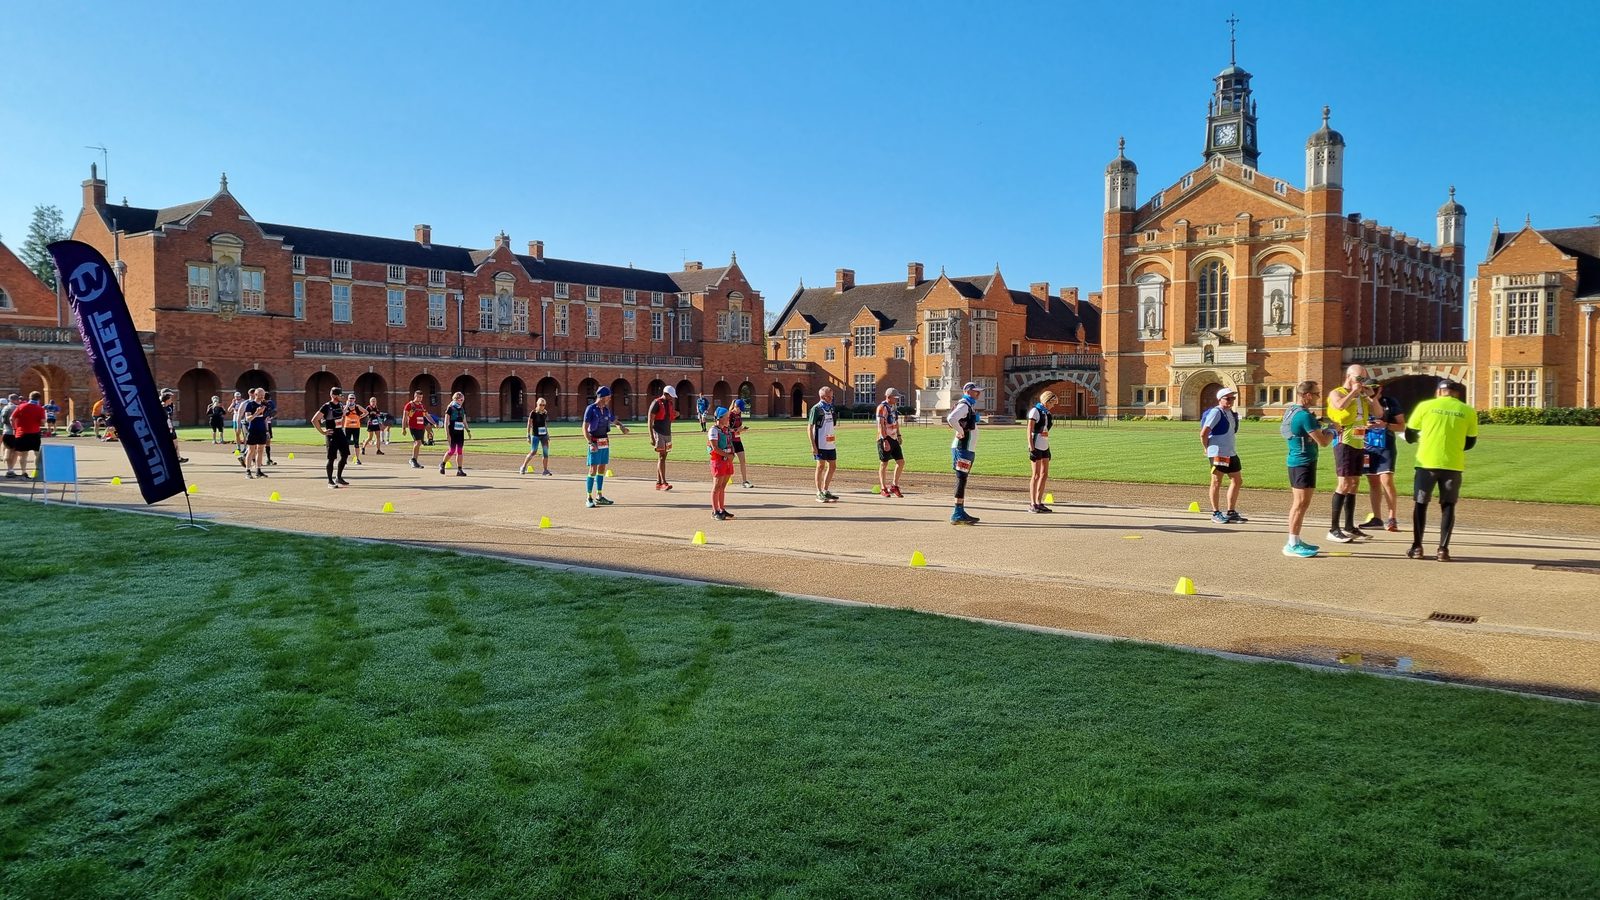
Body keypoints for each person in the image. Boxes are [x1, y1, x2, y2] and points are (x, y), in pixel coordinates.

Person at [1404, 379, 1479, 562]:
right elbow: (1470, 442)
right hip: (1452, 464)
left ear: (1439, 392)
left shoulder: (1426, 406)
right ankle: (1443, 549)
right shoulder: (1468, 410)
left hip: (1427, 462)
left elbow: (1409, 434)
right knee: (1448, 506)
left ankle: (1417, 547)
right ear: (1457, 394)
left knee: (1421, 504)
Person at [1281, 380, 1336, 557]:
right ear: (1307, 395)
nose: (1318, 397)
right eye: (1316, 393)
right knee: (1300, 504)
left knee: (1302, 503)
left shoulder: (1292, 411)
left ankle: (1295, 540)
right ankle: (1292, 544)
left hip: (1300, 460)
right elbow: (1324, 442)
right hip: (1302, 462)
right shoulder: (1304, 416)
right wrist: (1333, 430)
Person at [1324, 364, 1375, 543]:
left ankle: (1349, 526)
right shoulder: (1336, 392)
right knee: (1344, 483)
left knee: (1354, 483)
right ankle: (1333, 528)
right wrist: (1353, 393)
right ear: (1349, 376)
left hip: (1359, 441)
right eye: (1359, 378)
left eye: (1364, 379)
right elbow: (1338, 406)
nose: (1361, 382)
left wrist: (1371, 397)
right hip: (1343, 441)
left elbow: (1378, 412)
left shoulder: (1362, 395)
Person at [1357, 378, 1405, 533]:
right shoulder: (1360, 402)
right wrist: (1364, 426)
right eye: (1367, 388)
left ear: (1380, 388)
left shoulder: (1389, 402)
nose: (1371, 391)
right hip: (1368, 447)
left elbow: (1401, 426)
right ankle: (1377, 518)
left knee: (1386, 480)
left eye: (1374, 388)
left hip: (1386, 446)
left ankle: (1392, 518)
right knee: (1373, 482)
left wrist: (1385, 425)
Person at [1199, 387, 1245, 524]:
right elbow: (1204, 433)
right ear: (1220, 399)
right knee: (1216, 481)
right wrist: (1206, 448)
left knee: (1237, 480)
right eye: (1228, 398)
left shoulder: (1230, 413)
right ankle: (1216, 512)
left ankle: (1231, 512)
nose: (1231, 401)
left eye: (1233, 398)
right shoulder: (1216, 412)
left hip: (1230, 452)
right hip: (1218, 453)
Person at [582, 386, 628, 507]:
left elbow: (614, 420)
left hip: (604, 441)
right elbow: (584, 428)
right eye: (608, 396)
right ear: (603, 396)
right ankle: (589, 497)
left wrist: (621, 427)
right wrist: (590, 443)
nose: (609, 398)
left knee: (602, 468)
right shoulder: (591, 409)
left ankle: (599, 495)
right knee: (593, 469)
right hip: (595, 441)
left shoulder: (606, 410)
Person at [946, 382, 983, 525]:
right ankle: (957, 512)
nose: (978, 394)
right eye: (975, 391)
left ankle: (960, 510)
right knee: (961, 478)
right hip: (962, 448)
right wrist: (960, 432)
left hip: (966, 449)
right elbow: (951, 418)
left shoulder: (968, 406)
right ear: (967, 391)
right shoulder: (964, 405)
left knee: (963, 479)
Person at [310, 386, 353, 488]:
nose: (341, 396)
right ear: (333, 395)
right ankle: (330, 481)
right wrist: (323, 432)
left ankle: (338, 477)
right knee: (332, 458)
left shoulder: (340, 405)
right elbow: (314, 419)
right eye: (339, 395)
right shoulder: (326, 406)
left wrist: (344, 413)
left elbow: (342, 417)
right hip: (331, 434)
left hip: (340, 432)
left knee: (345, 454)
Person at [808, 386, 839, 503]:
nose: (831, 398)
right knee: (820, 466)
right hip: (820, 442)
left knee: (832, 465)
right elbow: (809, 427)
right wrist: (813, 445)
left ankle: (826, 490)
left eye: (832, 396)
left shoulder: (831, 408)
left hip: (830, 442)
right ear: (822, 397)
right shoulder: (816, 409)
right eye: (829, 396)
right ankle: (819, 492)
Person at [1027, 390, 1056, 513]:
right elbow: (1029, 430)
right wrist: (1031, 446)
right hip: (1036, 444)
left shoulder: (1047, 412)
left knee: (1044, 474)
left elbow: (1046, 429)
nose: (1054, 405)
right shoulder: (1035, 411)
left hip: (1044, 444)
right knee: (1036, 475)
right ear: (1047, 401)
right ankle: (1033, 503)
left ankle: (1039, 502)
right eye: (1053, 402)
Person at [5, 392, 45, 478]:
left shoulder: (21, 406)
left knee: (23, 454)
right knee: (36, 453)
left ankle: (23, 472)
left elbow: (11, 418)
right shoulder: (40, 408)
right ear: (38, 399)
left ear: (30, 397)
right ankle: (36, 471)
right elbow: (42, 422)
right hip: (34, 433)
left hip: (21, 433)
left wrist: (14, 428)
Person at [876, 387, 905, 498]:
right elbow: (880, 424)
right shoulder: (882, 407)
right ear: (888, 397)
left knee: (901, 462)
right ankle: (883, 488)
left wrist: (898, 435)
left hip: (893, 438)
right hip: (885, 438)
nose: (897, 399)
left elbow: (896, 422)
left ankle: (894, 485)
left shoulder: (893, 407)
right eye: (895, 397)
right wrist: (884, 440)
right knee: (884, 463)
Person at [646, 385, 677, 489]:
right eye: (670, 396)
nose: (671, 398)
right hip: (659, 432)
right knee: (662, 457)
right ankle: (663, 482)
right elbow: (650, 421)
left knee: (663, 457)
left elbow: (670, 416)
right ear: (665, 394)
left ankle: (659, 483)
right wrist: (652, 437)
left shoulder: (670, 403)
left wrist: (676, 414)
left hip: (667, 433)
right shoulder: (656, 403)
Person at [708, 405, 736, 519]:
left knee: (722, 486)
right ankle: (715, 511)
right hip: (718, 461)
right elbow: (715, 448)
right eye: (726, 417)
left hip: (727, 460)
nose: (728, 419)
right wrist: (728, 455)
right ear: (720, 418)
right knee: (717, 486)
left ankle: (721, 509)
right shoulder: (713, 430)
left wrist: (731, 454)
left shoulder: (726, 429)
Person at [440, 392, 471, 476]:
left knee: (460, 451)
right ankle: (442, 464)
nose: (462, 401)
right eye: (461, 400)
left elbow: (464, 421)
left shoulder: (461, 409)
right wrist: (447, 434)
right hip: (452, 431)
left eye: (463, 400)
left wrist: (468, 430)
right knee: (452, 450)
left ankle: (459, 469)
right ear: (456, 399)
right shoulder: (450, 408)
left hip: (460, 432)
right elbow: (446, 422)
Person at [241, 388, 270, 478]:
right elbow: (248, 419)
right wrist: (257, 413)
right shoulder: (250, 404)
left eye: (263, 395)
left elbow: (265, 419)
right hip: (253, 429)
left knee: (260, 450)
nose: (262, 397)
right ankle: (248, 471)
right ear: (256, 394)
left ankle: (258, 470)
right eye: (260, 395)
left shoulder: (265, 404)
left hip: (261, 430)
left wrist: (267, 430)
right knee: (251, 450)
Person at [521, 397, 553, 476]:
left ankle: (545, 470)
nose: (542, 406)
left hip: (544, 435)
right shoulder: (533, 413)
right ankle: (523, 466)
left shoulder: (545, 413)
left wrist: (547, 434)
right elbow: (529, 424)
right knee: (533, 451)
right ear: (537, 404)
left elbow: (544, 424)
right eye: (540, 404)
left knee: (545, 452)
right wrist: (528, 435)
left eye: (543, 405)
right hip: (535, 435)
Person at [402, 390, 432, 469]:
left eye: (421, 397)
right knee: (418, 442)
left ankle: (415, 460)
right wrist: (403, 428)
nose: (420, 399)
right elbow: (405, 417)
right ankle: (413, 460)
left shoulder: (422, 406)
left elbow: (426, 415)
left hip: (421, 427)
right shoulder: (410, 405)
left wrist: (434, 423)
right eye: (418, 397)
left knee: (419, 444)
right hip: (413, 426)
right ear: (415, 396)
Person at [729, 397, 754, 489]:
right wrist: (737, 429)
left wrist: (742, 430)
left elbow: (738, 429)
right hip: (730, 440)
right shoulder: (730, 415)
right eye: (740, 408)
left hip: (738, 440)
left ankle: (744, 481)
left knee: (742, 460)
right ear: (736, 406)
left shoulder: (739, 414)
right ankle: (725, 477)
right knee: (729, 460)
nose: (740, 411)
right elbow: (727, 429)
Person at [160, 389, 189, 463]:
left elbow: (170, 415)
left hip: (170, 427)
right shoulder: (159, 406)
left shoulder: (170, 406)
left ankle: (178, 458)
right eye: (169, 396)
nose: (171, 398)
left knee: (175, 443)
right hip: (163, 428)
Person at [340, 395, 367, 466]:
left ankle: (356, 459)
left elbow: (366, 412)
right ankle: (344, 459)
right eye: (350, 398)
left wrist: (360, 417)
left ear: (355, 399)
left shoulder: (357, 407)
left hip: (356, 427)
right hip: (347, 427)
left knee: (356, 443)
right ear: (348, 399)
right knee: (346, 443)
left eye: (352, 398)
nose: (351, 400)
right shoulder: (345, 407)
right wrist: (347, 406)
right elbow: (342, 414)